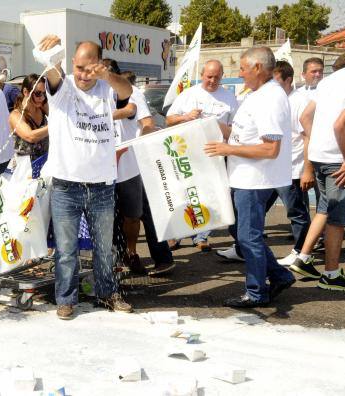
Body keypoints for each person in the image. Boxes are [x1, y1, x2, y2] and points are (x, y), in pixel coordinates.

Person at [37, 35, 134, 319]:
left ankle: (107, 293)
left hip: (102, 185)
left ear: (100, 65)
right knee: (66, 251)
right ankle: (66, 299)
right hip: (66, 185)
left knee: (104, 249)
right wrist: (51, 54)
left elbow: (127, 90)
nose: (82, 74)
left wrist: (107, 75)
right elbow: (53, 73)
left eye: (88, 68)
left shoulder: (107, 87)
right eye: (78, 67)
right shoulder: (63, 89)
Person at [204, 47, 296, 307]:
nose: (240, 73)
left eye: (243, 68)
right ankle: (279, 275)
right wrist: (212, 125)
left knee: (248, 236)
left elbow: (270, 147)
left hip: (255, 180)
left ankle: (256, 292)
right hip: (243, 178)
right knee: (239, 231)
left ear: (258, 68)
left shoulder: (271, 98)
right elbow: (242, 132)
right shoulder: (259, 94)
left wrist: (227, 149)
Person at [288, 61, 345, 291]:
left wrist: (318, 142)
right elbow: (340, 125)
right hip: (337, 158)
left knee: (325, 209)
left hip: (318, 154)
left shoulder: (330, 80)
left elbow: (305, 117)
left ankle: (303, 258)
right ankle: (331, 275)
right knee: (337, 216)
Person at [167, 59, 238, 253]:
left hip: (215, 155)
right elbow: (169, 119)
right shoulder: (188, 95)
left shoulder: (229, 98)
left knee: (209, 196)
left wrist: (217, 125)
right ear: (202, 75)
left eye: (216, 77)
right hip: (187, 154)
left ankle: (202, 236)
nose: (212, 81)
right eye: (209, 76)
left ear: (222, 76)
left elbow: (236, 131)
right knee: (182, 193)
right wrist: (186, 117)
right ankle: (176, 234)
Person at [115, 71, 175, 276]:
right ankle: (125, 258)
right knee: (124, 216)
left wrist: (134, 147)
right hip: (114, 169)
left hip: (135, 165)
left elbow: (147, 124)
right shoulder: (97, 94)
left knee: (144, 213)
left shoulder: (133, 95)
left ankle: (160, 257)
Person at [267, 61, 312, 266]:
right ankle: (243, 247)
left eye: (277, 82)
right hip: (272, 166)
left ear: (288, 80)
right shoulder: (275, 100)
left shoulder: (300, 101)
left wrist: (306, 171)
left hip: (292, 168)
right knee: (258, 208)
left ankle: (301, 251)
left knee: (297, 212)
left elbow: (308, 137)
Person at [8, 74, 49, 161]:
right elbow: (30, 136)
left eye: (44, 93)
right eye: (38, 94)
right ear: (26, 92)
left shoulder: (41, 107)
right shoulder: (15, 116)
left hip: (45, 164)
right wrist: (54, 126)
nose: (42, 98)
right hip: (25, 169)